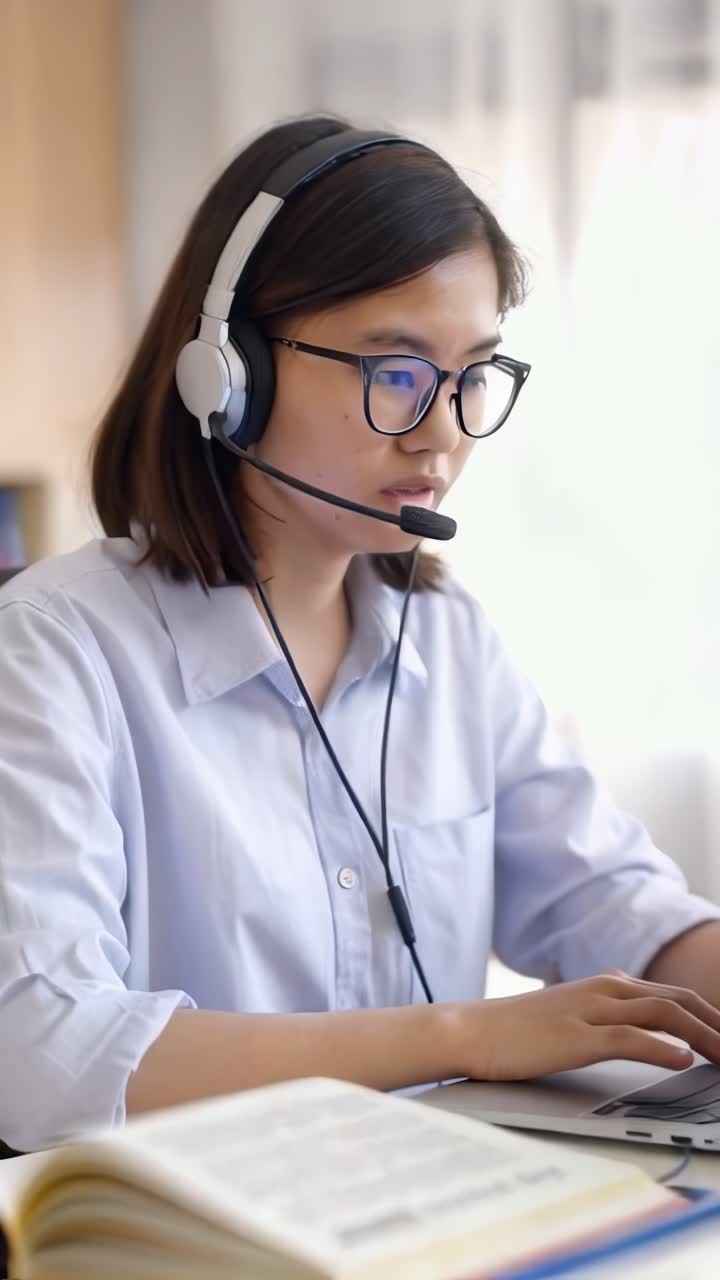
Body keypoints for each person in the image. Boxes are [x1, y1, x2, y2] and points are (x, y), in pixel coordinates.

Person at [1, 114, 720, 1156]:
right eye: (395, 369)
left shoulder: (448, 640)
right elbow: (41, 1051)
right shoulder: (54, 652)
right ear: (229, 373)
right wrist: (463, 1034)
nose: (442, 430)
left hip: (423, 1212)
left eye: (472, 373)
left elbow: (612, 901)